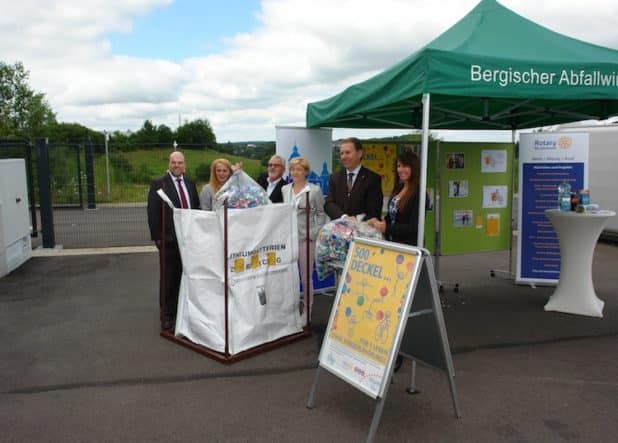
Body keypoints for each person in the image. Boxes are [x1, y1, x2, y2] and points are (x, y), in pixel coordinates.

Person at [147, 151, 200, 331]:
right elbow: (152, 213)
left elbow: (196, 209)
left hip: (189, 240)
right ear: (169, 164)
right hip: (169, 241)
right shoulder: (159, 184)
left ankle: (184, 312)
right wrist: (158, 239)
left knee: (188, 276)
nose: (176, 165)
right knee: (169, 279)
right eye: (173, 162)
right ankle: (167, 316)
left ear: (184, 165)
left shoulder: (191, 184)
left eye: (179, 162)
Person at [281, 158, 327, 321]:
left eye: (299, 169)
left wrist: (312, 233)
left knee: (305, 278)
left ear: (306, 172)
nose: (295, 172)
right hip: (288, 238)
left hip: (305, 240)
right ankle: (292, 308)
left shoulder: (314, 191)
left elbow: (320, 214)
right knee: (289, 276)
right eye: (292, 169)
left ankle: (307, 310)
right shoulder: (285, 189)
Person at [367, 150, 426, 245]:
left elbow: (413, 227)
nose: (400, 169)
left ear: (414, 168)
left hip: (408, 246)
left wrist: (386, 228)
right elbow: (393, 216)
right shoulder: (399, 188)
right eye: (398, 166)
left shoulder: (419, 193)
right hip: (392, 243)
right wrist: (378, 222)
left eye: (405, 166)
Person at [324, 137, 383, 221]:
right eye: (341, 153)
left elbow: (374, 211)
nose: (343, 157)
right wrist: (344, 217)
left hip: (362, 230)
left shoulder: (372, 179)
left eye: (347, 153)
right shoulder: (334, 177)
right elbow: (329, 204)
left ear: (359, 154)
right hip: (338, 230)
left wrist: (356, 219)